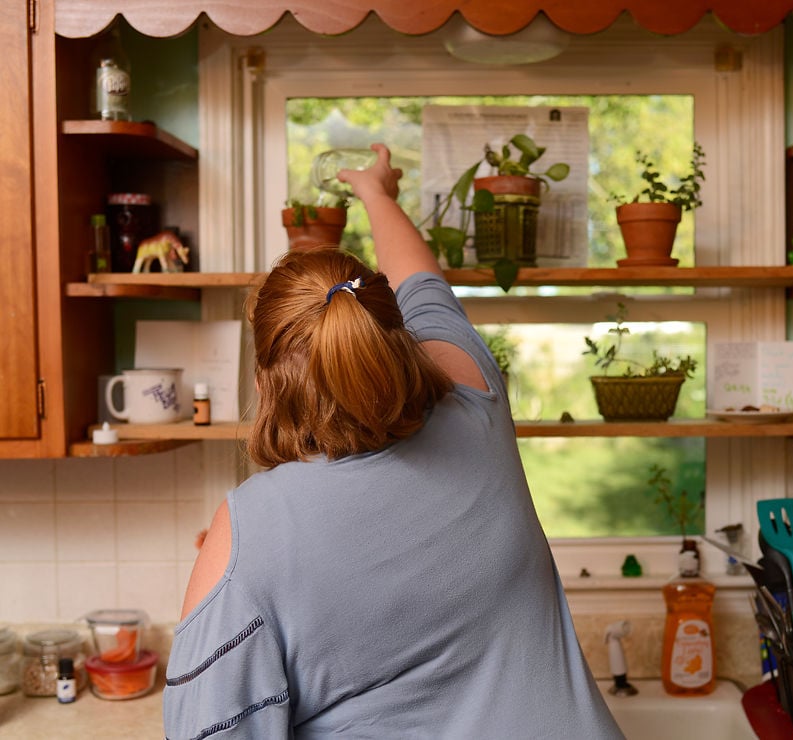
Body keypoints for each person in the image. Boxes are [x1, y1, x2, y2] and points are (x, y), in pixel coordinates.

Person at [163, 143, 624, 739]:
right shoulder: (474, 397)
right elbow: (421, 279)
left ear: (262, 383)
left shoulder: (248, 525)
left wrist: (234, 561)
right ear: (394, 341)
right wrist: (376, 191)